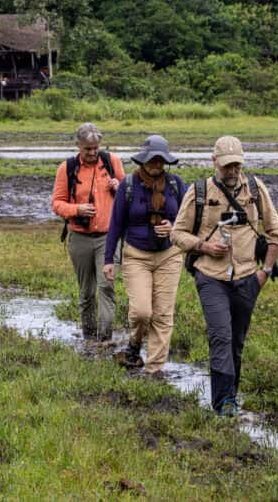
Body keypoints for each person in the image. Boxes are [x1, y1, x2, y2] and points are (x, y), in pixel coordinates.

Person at [171, 136, 278, 417]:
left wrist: (265, 271)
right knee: (220, 334)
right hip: (210, 275)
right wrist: (204, 246)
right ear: (214, 162)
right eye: (226, 166)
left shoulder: (256, 190)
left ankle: (230, 396)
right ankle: (223, 403)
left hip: (247, 277)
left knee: (236, 340)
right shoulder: (198, 191)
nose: (232, 171)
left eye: (236, 165)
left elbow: (276, 232)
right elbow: (177, 233)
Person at [103, 135, 187, 375]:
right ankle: (134, 343)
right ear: (143, 161)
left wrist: (174, 228)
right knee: (142, 312)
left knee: (162, 314)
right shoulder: (128, 186)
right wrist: (109, 259)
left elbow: (188, 218)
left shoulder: (176, 185)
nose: (157, 165)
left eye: (161, 161)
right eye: (153, 160)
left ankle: (154, 370)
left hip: (169, 255)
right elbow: (116, 224)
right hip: (136, 256)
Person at [52, 123, 125, 340]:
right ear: (78, 146)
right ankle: (89, 336)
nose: (92, 153)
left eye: (95, 148)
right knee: (86, 292)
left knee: (106, 287)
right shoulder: (67, 168)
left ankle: (104, 338)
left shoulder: (112, 162)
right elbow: (57, 203)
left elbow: (128, 194)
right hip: (79, 238)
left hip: (108, 237)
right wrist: (77, 209)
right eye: (87, 149)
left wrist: (119, 187)